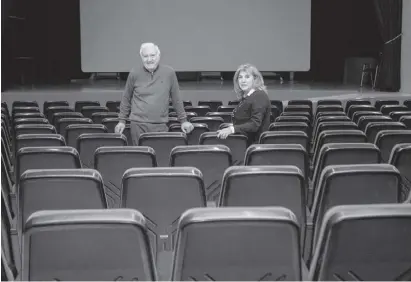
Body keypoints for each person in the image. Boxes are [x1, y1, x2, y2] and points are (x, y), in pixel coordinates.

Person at [115, 42, 194, 145]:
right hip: (138, 125)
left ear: (159, 55)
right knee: (141, 158)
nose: (149, 59)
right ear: (141, 57)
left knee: (160, 158)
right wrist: (122, 121)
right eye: (145, 56)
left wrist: (183, 121)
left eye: (152, 55)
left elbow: (176, 99)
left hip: (161, 125)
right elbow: (126, 98)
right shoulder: (134, 73)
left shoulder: (169, 73)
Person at [217, 64, 271, 145]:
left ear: (255, 79)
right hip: (243, 143)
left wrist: (232, 129)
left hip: (254, 147)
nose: (243, 81)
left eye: (247, 77)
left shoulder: (259, 95)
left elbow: (255, 124)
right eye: (240, 77)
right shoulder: (248, 96)